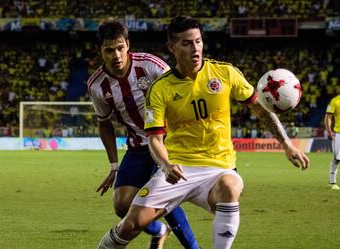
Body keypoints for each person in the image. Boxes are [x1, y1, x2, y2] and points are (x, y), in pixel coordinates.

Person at [96, 16, 310, 249]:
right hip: (178, 167)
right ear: (172, 47)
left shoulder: (225, 73)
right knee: (130, 224)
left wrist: (287, 143)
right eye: (187, 43)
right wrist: (166, 165)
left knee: (230, 186)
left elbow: (261, 109)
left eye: (198, 41)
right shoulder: (160, 88)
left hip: (218, 168)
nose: (195, 48)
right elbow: (155, 138)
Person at [87, 19, 200, 249]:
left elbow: (181, 93)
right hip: (138, 146)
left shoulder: (151, 66)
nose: (116, 55)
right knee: (121, 204)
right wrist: (112, 165)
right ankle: (159, 231)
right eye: (109, 50)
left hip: (167, 141)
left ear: (128, 44)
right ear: (101, 50)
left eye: (120, 48)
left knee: (161, 191)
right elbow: (104, 123)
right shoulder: (97, 85)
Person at [325, 94, 340, 190]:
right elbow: (329, 116)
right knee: (337, 159)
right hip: (339, 133)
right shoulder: (335, 101)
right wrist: (329, 130)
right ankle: (332, 182)